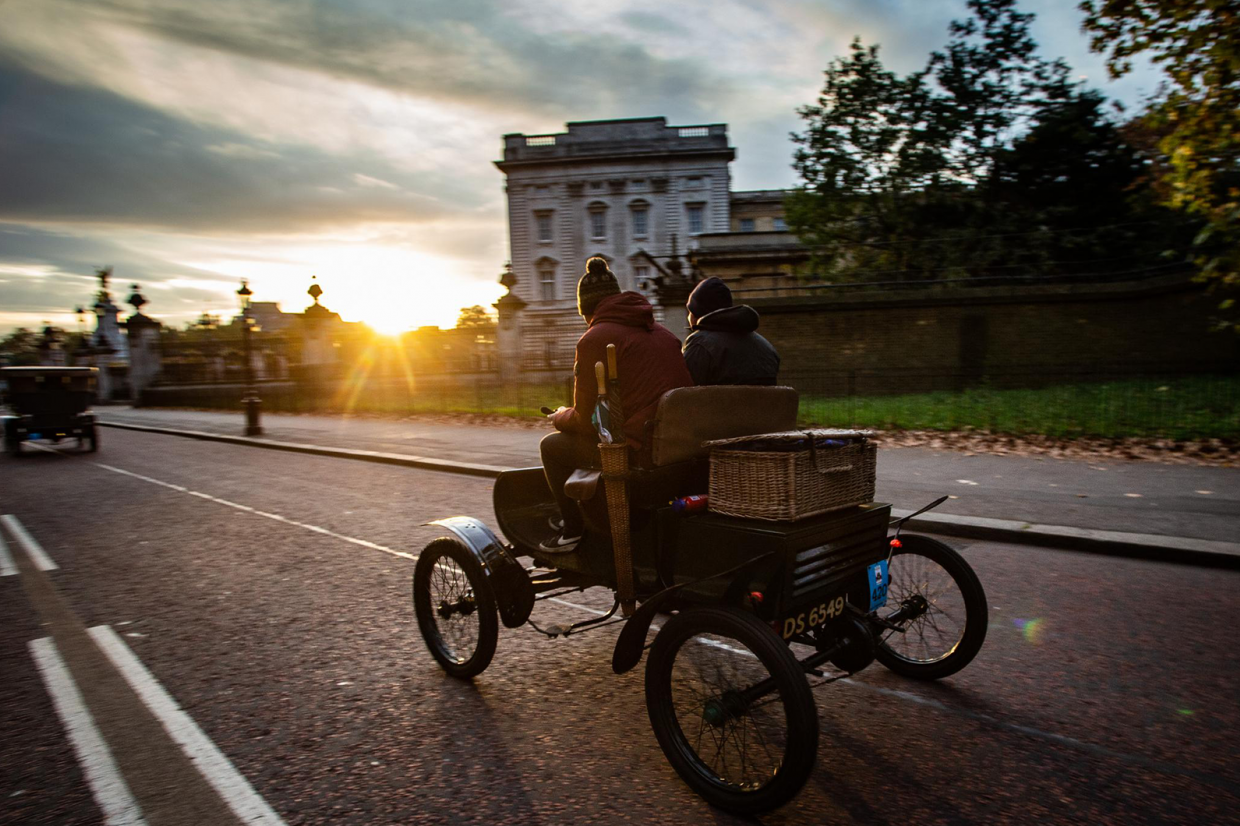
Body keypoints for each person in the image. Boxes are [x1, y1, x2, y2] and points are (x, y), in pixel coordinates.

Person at [540, 257, 692, 552]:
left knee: (552, 446)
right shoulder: (664, 333)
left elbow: (586, 421)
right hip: (679, 448)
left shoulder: (595, 338)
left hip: (639, 451)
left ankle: (572, 530)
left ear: (586, 310)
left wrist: (559, 416)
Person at [682, 276, 780, 386]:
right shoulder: (766, 346)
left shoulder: (700, 344)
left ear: (696, 313)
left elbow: (684, 388)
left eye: (690, 310)